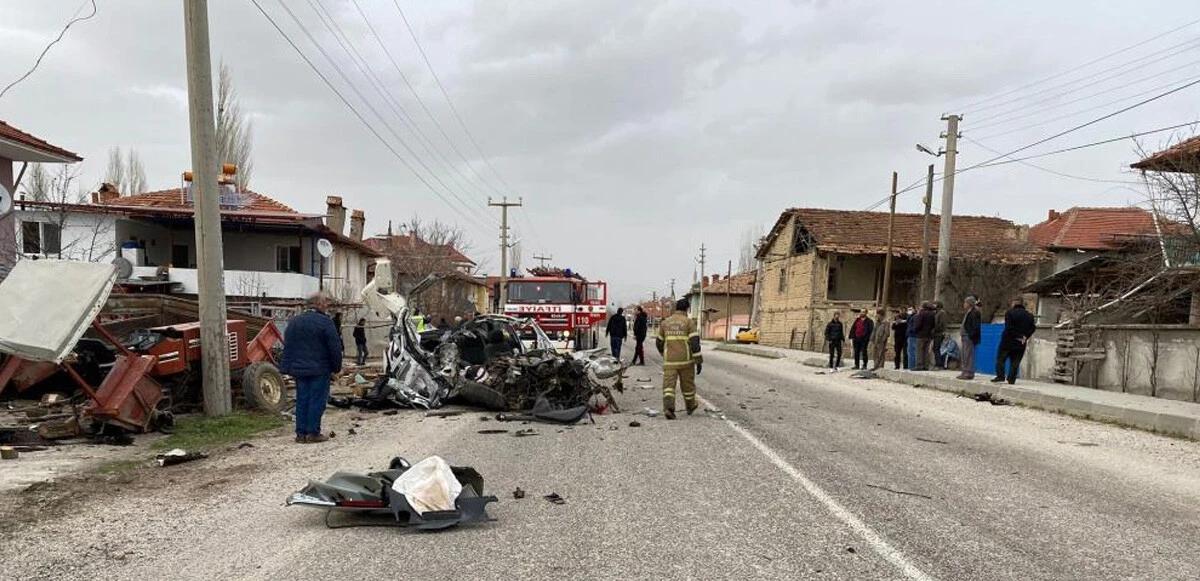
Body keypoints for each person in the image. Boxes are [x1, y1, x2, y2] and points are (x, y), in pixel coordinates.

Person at [280, 293, 343, 444]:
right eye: (325, 303)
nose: (327, 306)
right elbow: (334, 347)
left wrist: (286, 366)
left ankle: (300, 434)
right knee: (317, 400)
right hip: (319, 368)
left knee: (302, 399)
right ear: (319, 304)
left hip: (299, 369)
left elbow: (288, 345)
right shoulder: (325, 322)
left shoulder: (294, 321)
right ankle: (312, 432)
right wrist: (336, 367)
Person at [655, 299, 702, 419]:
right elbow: (695, 343)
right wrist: (698, 361)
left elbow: (659, 342)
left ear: (676, 308)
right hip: (686, 361)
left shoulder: (665, 323)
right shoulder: (689, 322)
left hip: (670, 361)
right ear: (687, 309)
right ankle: (690, 406)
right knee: (688, 386)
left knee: (668, 387)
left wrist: (664, 354)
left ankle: (669, 409)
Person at [994, 297, 1036, 384]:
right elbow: (1033, 328)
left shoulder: (1010, 313)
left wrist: (1018, 335)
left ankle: (1000, 376)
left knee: (1001, 358)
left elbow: (1008, 328)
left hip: (1008, 340)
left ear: (1014, 303)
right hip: (1021, 342)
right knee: (1015, 361)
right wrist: (1025, 336)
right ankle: (1012, 379)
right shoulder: (1029, 315)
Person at [958, 296, 982, 380]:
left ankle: (968, 372)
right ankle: (965, 371)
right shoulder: (969, 312)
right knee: (965, 355)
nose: (964, 304)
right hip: (965, 336)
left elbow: (975, 326)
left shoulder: (974, 312)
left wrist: (971, 334)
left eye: (965, 303)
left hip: (968, 336)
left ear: (969, 304)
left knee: (968, 355)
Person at [912, 302, 935, 371]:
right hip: (929, 335)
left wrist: (915, 330)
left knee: (919, 350)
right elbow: (933, 325)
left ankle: (919, 365)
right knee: (926, 351)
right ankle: (926, 365)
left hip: (921, 335)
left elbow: (918, 324)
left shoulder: (921, 314)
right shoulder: (932, 314)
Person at [932, 301, 948, 369]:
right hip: (936, 333)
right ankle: (938, 363)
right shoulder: (937, 312)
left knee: (937, 348)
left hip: (939, 333)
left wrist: (935, 329)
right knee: (935, 348)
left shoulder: (942, 312)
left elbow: (941, 323)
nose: (933, 305)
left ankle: (939, 364)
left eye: (935, 304)